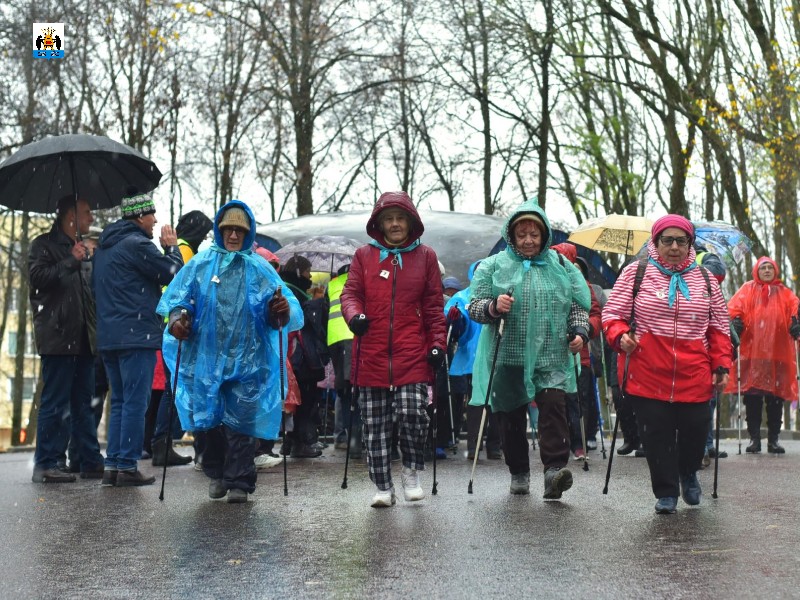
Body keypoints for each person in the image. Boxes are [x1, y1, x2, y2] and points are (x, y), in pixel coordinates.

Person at [158, 200, 302, 502]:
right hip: (206, 360)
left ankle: (239, 481)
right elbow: (178, 301)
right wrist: (177, 322)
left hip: (247, 361)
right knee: (208, 423)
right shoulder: (199, 265)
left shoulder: (260, 270)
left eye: (239, 230)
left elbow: (281, 312)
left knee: (242, 425)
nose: (233, 235)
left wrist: (280, 310)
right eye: (228, 230)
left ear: (248, 233)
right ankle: (216, 471)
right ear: (219, 231)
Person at [602, 215, 731, 514]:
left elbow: (720, 329)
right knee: (656, 435)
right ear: (656, 242)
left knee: (695, 431)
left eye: (680, 241)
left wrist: (721, 365)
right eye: (667, 240)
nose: (674, 246)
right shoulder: (636, 272)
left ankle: (688, 472)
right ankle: (666, 491)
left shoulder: (707, 280)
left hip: (695, 372)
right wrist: (621, 336)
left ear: (690, 243)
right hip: (647, 371)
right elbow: (612, 315)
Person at [468, 198, 590, 500]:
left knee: (554, 411)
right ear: (511, 235)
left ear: (544, 235)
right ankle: (519, 471)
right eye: (521, 234)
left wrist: (579, 331)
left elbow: (577, 304)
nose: (528, 240)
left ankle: (553, 473)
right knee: (510, 418)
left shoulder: (561, 265)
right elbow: (474, 307)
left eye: (534, 234)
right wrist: (494, 306)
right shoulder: (493, 266)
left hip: (551, 355)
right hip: (507, 355)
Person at [340, 191, 447, 508]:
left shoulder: (426, 256)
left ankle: (411, 473)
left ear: (411, 221)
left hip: (412, 353)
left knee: (413, 414)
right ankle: (383, 487)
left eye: (401, 218)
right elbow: (350, 294)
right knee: (374, 426)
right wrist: (354, 316)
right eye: (389, 219)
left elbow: (432, 307)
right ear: (379, 223)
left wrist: (438, 344)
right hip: (371, 353)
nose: (395, 224)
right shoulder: (364, 256)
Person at [93, 190, 184, 487]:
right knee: (135, 402)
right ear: (139, 217)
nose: (155, 220)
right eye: (151, 215)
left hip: (110, 337)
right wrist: (171, 248)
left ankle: (114, 466)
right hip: (136, 336)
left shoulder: (106, 247)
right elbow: (172, 273)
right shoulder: (137, 244)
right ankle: (128, 465)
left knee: (119, 401)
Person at [29, 195, 105, 483]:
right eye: (87, 212)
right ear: (70, 216)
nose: (92, 218)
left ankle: (88, 460)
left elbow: (86, 296)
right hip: (58, 338)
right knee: (55, 402)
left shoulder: (82, 250)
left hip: (84, 339)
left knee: (84, 402)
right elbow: (38, 279)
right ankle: (47, 463)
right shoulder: (43, 245)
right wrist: (69, 261)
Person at [150, 210, 213, 467]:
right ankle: (163, 443)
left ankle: (162, 443)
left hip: (170, 326)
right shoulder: (186, 250)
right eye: (205, 230)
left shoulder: (182, 248)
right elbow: (184, 289)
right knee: (176, 388)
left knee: (173, 388)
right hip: (177, 329)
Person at [727, 256, 800, 454]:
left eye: (770, 267)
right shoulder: (747, 289)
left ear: (775, 271)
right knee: (753, 398)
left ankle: (773, 440)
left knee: (776, 398)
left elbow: (796, 309)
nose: (767, 270)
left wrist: (796, 323)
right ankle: (754, 439)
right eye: (763, 268)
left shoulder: (785, 293)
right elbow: (734, 310)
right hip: (754, 354)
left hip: (778, 354)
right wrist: (735, 322)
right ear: (756, 271)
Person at [551, 243, 602, 461]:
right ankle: (557, 443)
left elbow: (595, 315)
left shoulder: (584, 285)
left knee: (577, 399)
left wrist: (584, 332)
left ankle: (578, 443)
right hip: (549, 353)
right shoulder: (544, 282)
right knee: (553, 399)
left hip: (578, 353)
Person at [280, 255, 330, 458]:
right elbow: (300, 321)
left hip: (293, 353)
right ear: (299, 271)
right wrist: (317, 304)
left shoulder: (287, 288)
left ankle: (290, 443)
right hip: (299, 354)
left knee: (297, 400)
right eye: (308, 271)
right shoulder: (293, 293)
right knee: (305, 399)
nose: (310, 276)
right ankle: (305, 441)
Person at [327, 264, 362, 458]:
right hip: (354, 337)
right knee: (356, 390)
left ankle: (351, 439)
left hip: (334, 340)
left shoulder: (331, 285)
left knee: (345, 390)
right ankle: (356, 441)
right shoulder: (359, 282)